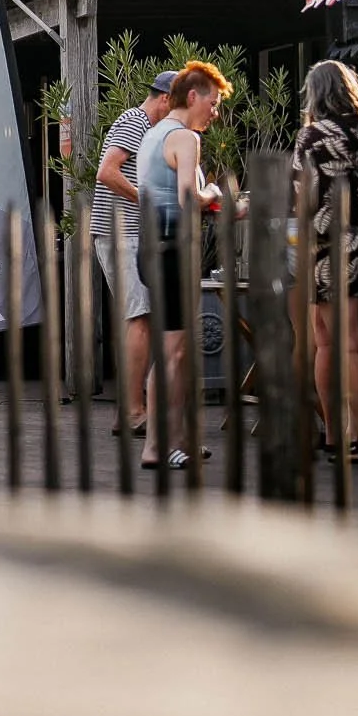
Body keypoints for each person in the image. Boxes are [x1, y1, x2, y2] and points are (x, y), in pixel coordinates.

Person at [292, 60, 358, 460]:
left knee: (330, 340)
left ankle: (340, 436)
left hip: (326, 245)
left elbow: (301, 197)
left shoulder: (311, 135)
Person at [132, 60, 228, 470]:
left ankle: (181, 438)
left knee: (177, 351)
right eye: (215, 101)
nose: (216, 112)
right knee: (171, 353)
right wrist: (215, 191)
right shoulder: (186, 138)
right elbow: (191, 196)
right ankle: (156, 446)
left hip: (152, 248)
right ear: (193, 96)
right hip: (172, 251)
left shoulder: (153, 135)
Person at [90, 71, 174, 430]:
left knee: (143, 318)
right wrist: (148, 200)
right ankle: (132, 411)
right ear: (166, 99)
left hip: (132, 234)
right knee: (139, 317)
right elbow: (106, 172)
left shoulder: (152, 132)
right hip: (120, 232)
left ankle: (136, 407)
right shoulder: (133, 120)